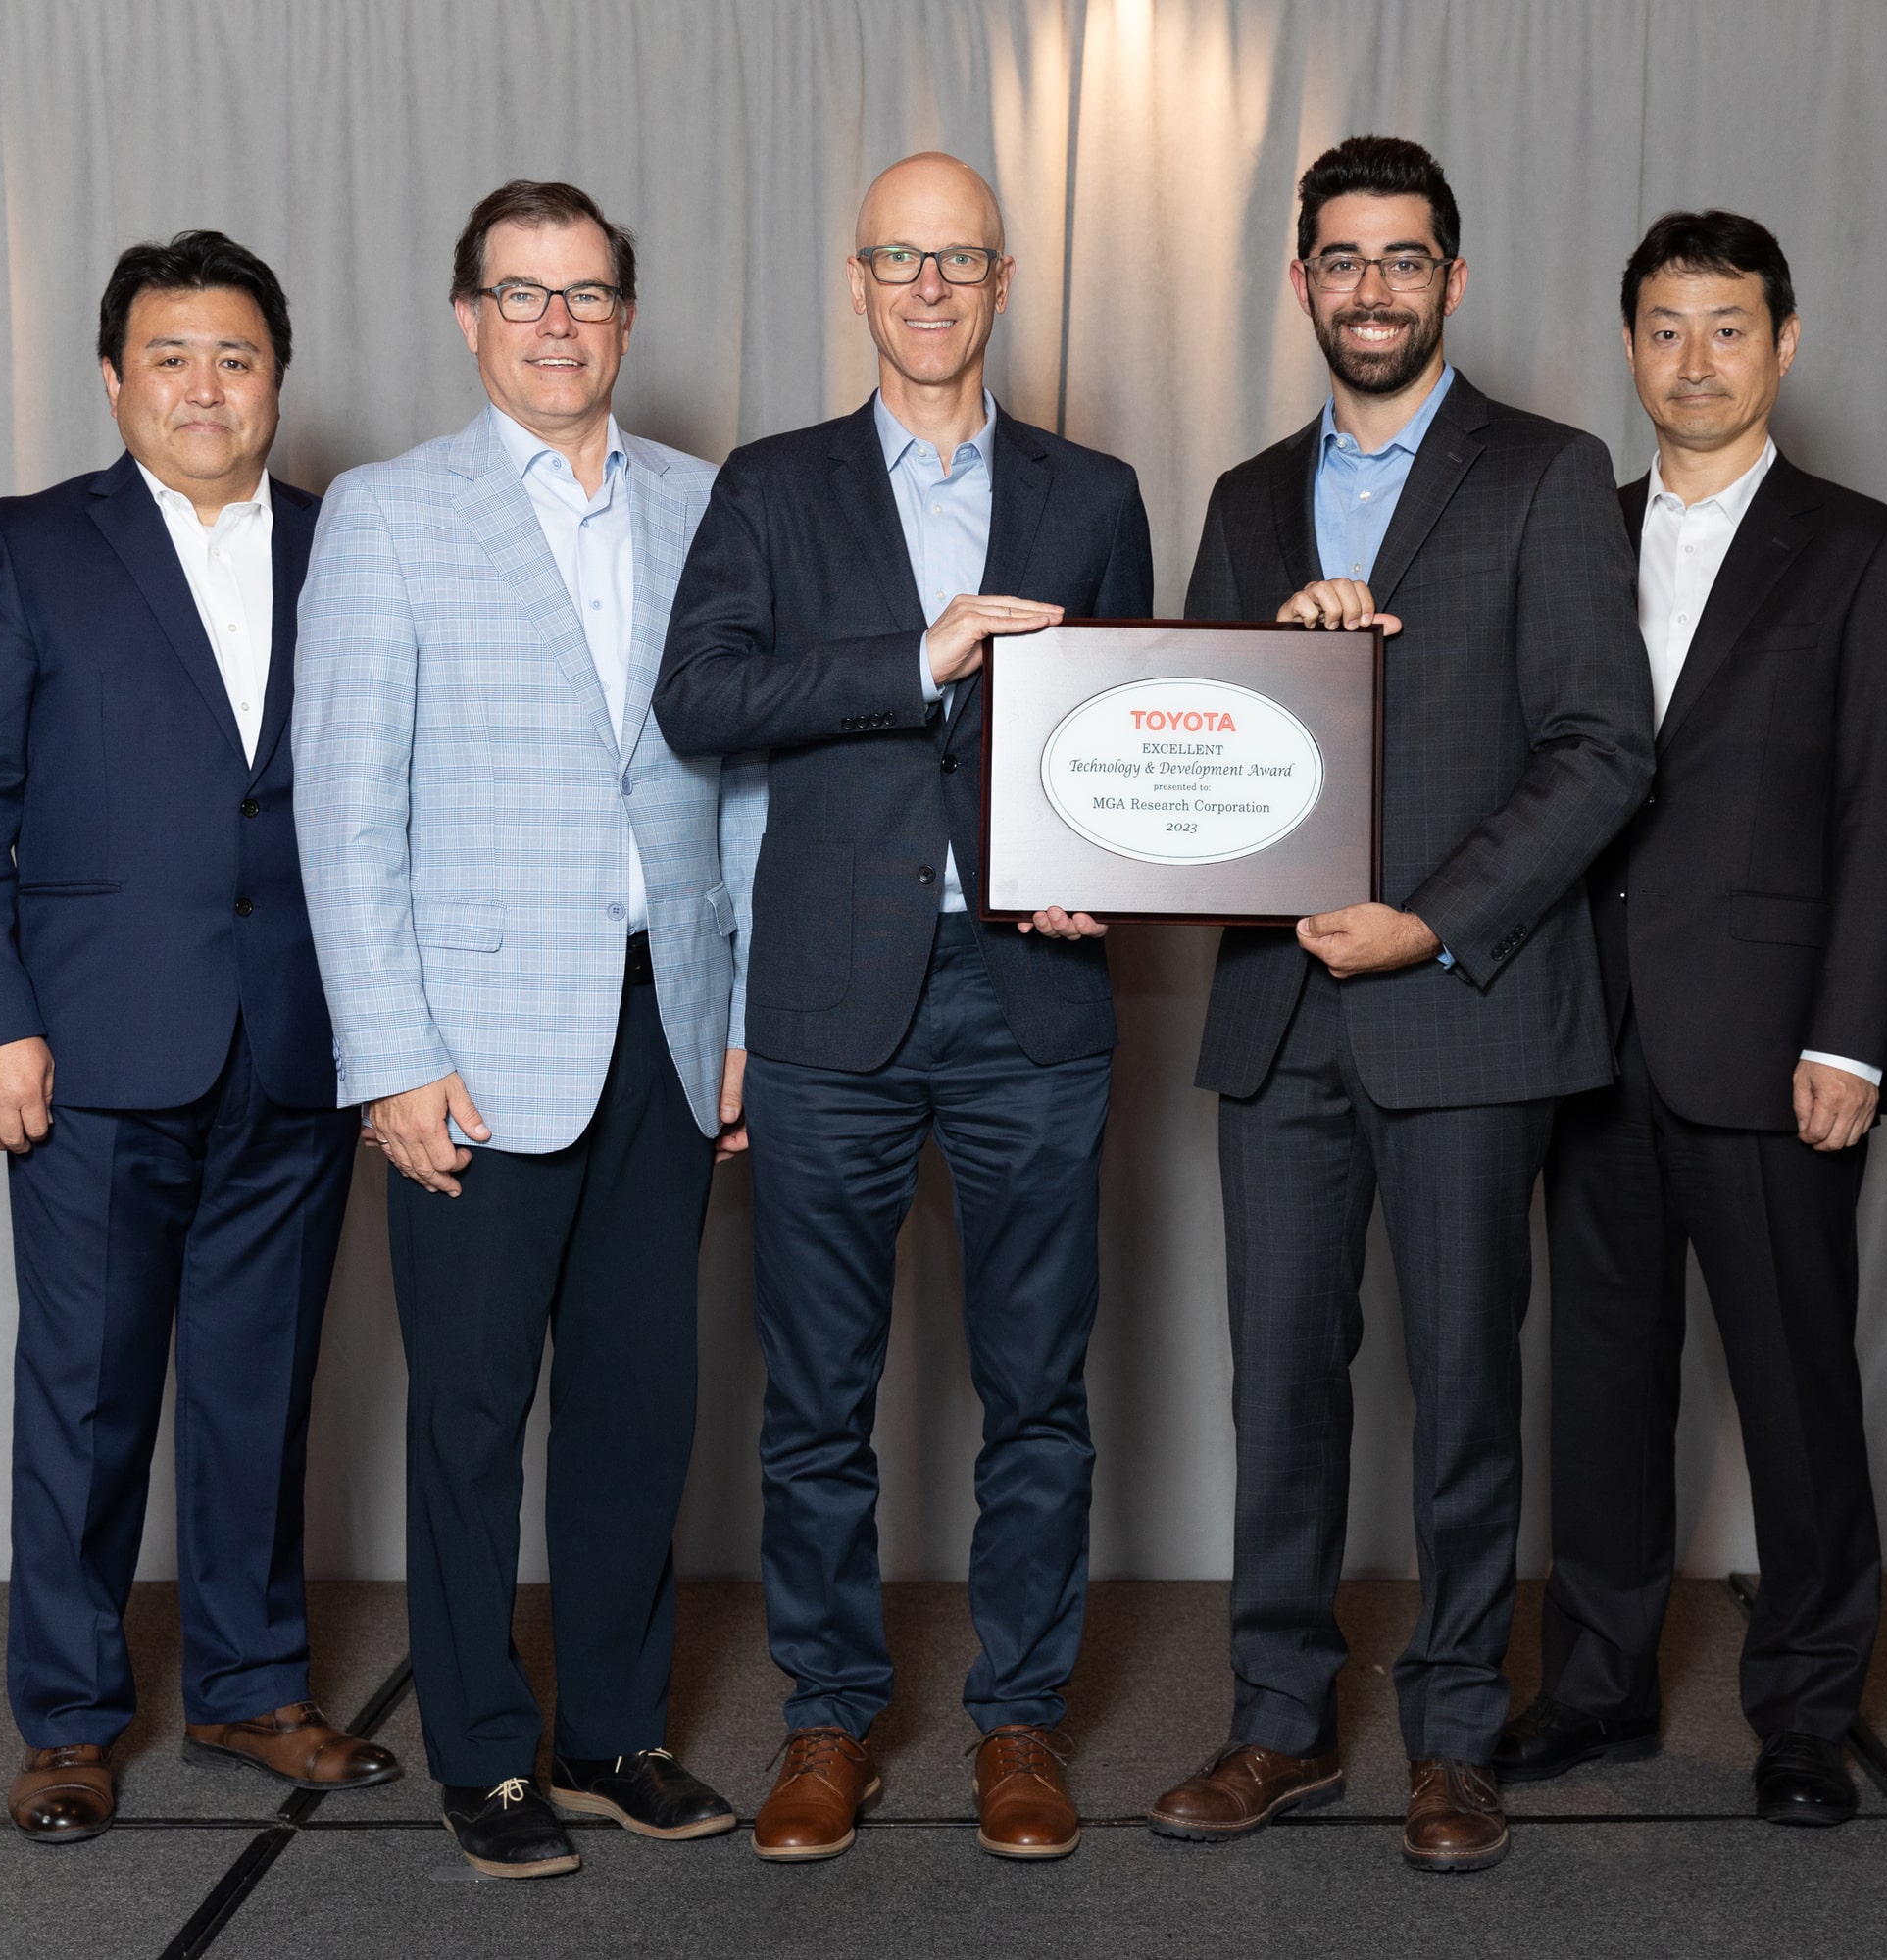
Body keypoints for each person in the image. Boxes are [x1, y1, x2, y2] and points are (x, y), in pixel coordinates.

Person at [1142, 136, 1652, 1875]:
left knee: (1464, 1396)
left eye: (1403, 259)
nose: (1372, 289)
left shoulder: (1552, 472)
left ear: (1452, 275)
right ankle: (1277, 1725)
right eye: (1341, 261)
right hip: (1279, 1018)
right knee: (1275, 1391)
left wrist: (1428, 923)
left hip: (1464, 1010)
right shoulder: (1244, 496)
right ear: (1300, 283)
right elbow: (1184, 752)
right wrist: (1270, 680)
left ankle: (1452, 1742)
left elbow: (1604, 751)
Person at [656, 152, 1151, 1865]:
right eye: (898, 260)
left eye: (959, 261)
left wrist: (1125, 869)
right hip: (826, 1004)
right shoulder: (773, 487)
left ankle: (1020, 1720)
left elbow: (1137, 730)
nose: (929, 289)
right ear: (858, 283)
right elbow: (698, 695)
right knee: (817, 1396)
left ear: (1002, 282)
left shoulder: (1094, 491)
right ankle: (825, 1719)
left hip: (1035, 992)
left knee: (1039, 1390)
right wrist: (912, 660)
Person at [292, 180, 765, 1880]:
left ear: (627, 317)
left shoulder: (717, 506)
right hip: (475, 1042)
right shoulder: (386, 514)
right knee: (473, 1410)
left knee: (643, 1402)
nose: (555, 323)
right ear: (469, 314)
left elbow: (750, 782)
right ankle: (484, 1752)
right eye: (520, 293)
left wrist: (748, 1014)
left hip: (670, 1017)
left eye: (585, 294)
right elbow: (346, 812)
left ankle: (614, 1731)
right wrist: (391, 1057)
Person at [0, 231, 401, 1844]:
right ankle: (65, 1718)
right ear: (116, 377)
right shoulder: (30, 549)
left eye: (238, 357)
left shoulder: (357, 546)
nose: (206, 386)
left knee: (262, 1394)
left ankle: (253, 1687)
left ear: (278, 380)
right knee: (91, 1397)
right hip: (93, 1049)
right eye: (172, 356)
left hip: (300, 1045)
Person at [1501, 211, 1887, 1826]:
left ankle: (1808, 1714)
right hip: (1582, 1033)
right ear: (1631, 350)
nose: (1697, 360)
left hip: (1774, 1047)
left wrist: (1851, 1038)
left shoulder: (1865, 549)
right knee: (1604, 1387)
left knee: (1797, 1388)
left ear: (1785, 341)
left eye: (1729, 327)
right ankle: (1600, 1688)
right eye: (1667, 330)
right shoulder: (1571, 528)